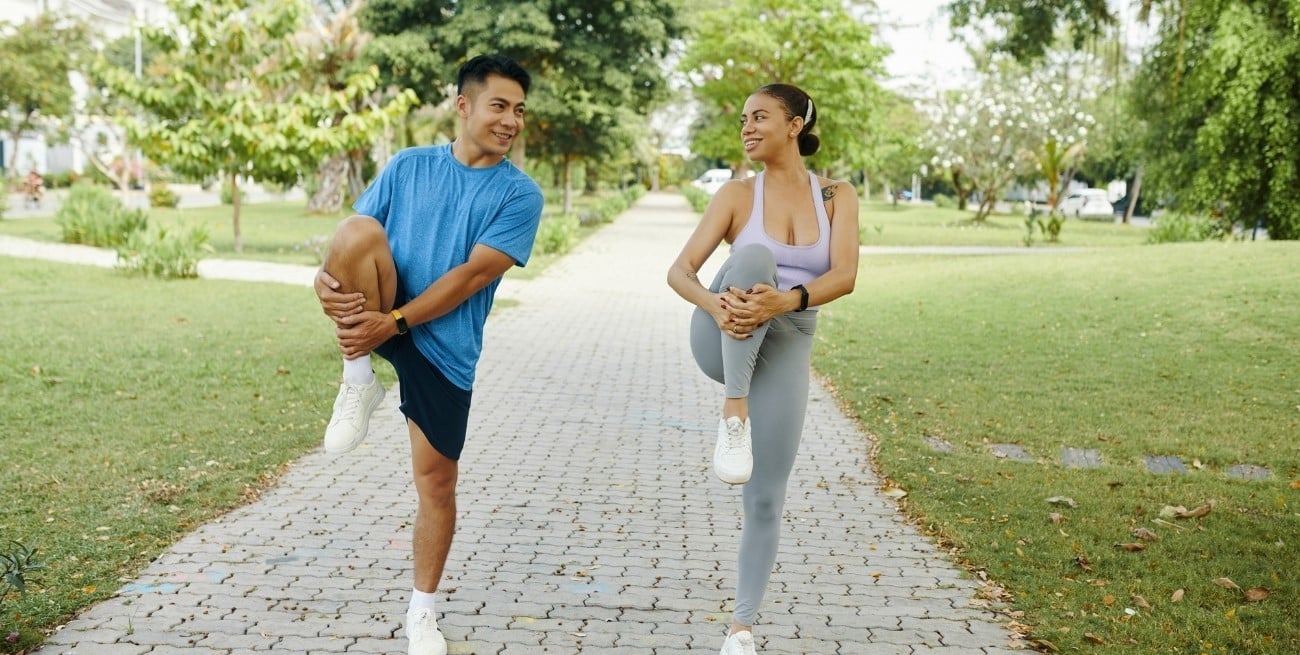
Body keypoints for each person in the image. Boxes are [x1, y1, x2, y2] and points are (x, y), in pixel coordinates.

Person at [313, 54, 542, 655]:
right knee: (352, 233)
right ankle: (357, 379)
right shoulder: (408, 166)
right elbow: (355, 244)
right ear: (463, 106)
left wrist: (391, 321)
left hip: (442, 342)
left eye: (519, 110)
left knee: (436, 484)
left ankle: (422, 613)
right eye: (500, 105)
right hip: (382, 307)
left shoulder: (520, 195)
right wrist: (325, 279)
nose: (511, 120)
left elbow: (471, 276)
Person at [666, 83, 859, 655]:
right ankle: (733, 412)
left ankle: (741, 630)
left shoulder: (837, 197)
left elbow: (844, 275)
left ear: (795, 124)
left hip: (789, 341)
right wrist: (718, 305)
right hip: (720, 336)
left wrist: (787, 301)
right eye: (744, 119)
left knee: (766, 497)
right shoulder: (734, 195)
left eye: (760, 117)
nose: (747, 127)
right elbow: (680, 273)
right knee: (753, 258)